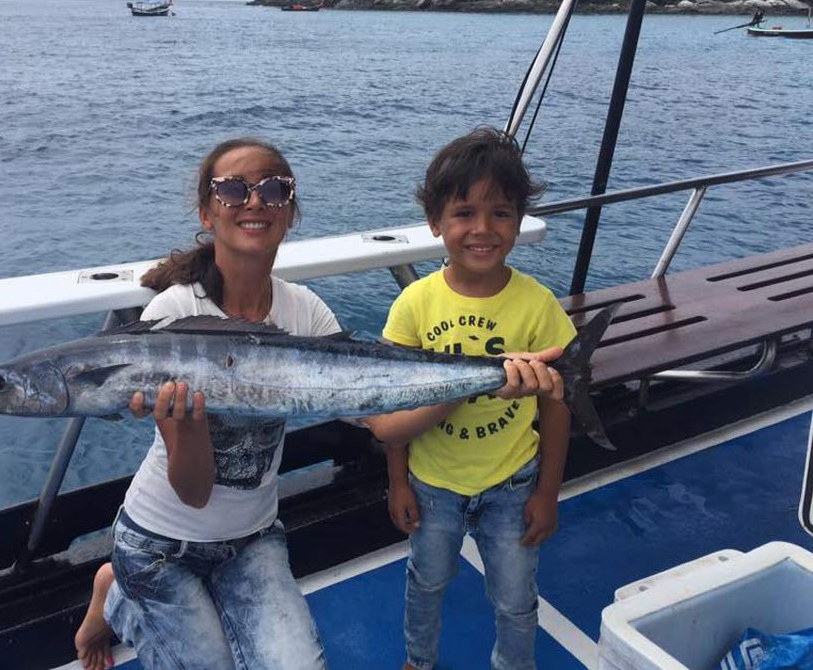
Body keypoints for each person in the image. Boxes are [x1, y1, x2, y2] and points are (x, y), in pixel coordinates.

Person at [74, 137, 340, 670]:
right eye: (234, 189)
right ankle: (116, 588)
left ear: (291, 210)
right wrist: (187, 425)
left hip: (253, 537)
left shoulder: (304, 310)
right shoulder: (175, 313)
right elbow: (193, 492)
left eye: (273, 189)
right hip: (158, 541)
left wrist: (492, 379)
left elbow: (384, 421)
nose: (255, 201)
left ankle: (114, 585)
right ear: (207, 211)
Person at [362, 127, 575, 670]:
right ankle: (419, 661)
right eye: (464, 214)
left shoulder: (537, 304)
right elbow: (393, 404)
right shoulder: (414, 304)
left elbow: (556, 405)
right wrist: (397, 482)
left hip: (513, 483)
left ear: (520, 220)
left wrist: (548, 491)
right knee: (426, 583)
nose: (482, 229)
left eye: (501, 213)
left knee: (516, 601)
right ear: (436, 222)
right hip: (431, 487)